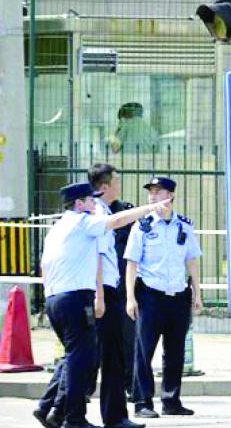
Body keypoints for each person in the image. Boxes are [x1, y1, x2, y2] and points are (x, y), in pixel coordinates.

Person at [34, 182, 168, 428]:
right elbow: (116, 222)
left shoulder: (57, 228)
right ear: (79, 204)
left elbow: (45, 266)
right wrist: (151, 208)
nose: (95, 203)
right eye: (90, 199)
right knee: (80, 361)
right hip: (75, 299)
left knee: (78, 357)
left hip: (55, 298)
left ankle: (53, 409)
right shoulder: (83, 222)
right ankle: (73, 419)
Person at [124, 177, 203, 419]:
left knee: (175, 351)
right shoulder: (142, 226)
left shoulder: (184, 226)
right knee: (144, 351)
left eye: (158, 192)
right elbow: (131, 263)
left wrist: (197, 294)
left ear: (170, 195)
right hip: (150, 295)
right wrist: (130, 298)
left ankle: (171, 400)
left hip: (178, 296)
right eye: (150, 192)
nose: (153, 197)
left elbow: (191, 260)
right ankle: (142, 402)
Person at [87, 164, 145, 428]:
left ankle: (113, 416)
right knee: (96, 356)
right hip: (103, 293)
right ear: (104, 187)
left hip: (110, 291)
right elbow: (98, 258)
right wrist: (100, 297)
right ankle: (58, 406)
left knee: (104, 354)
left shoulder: (105, 210)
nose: (119, 186)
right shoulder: (98, 214)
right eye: (116, 182)